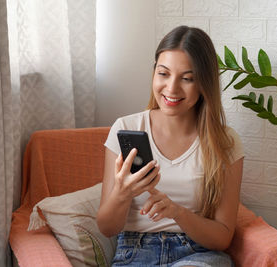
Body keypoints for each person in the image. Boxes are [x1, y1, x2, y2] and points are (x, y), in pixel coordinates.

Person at [96, 25, 244, 267]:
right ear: (154, 73)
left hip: (197, 254)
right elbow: (106, 227)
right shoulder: (126, 127)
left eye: (187, 78)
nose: (172, 88)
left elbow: (223, 238)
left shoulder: (224, 142)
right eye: (164, 74)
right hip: (135, 253)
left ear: (204, 84)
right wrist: (123, 193)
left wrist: (177, 212)